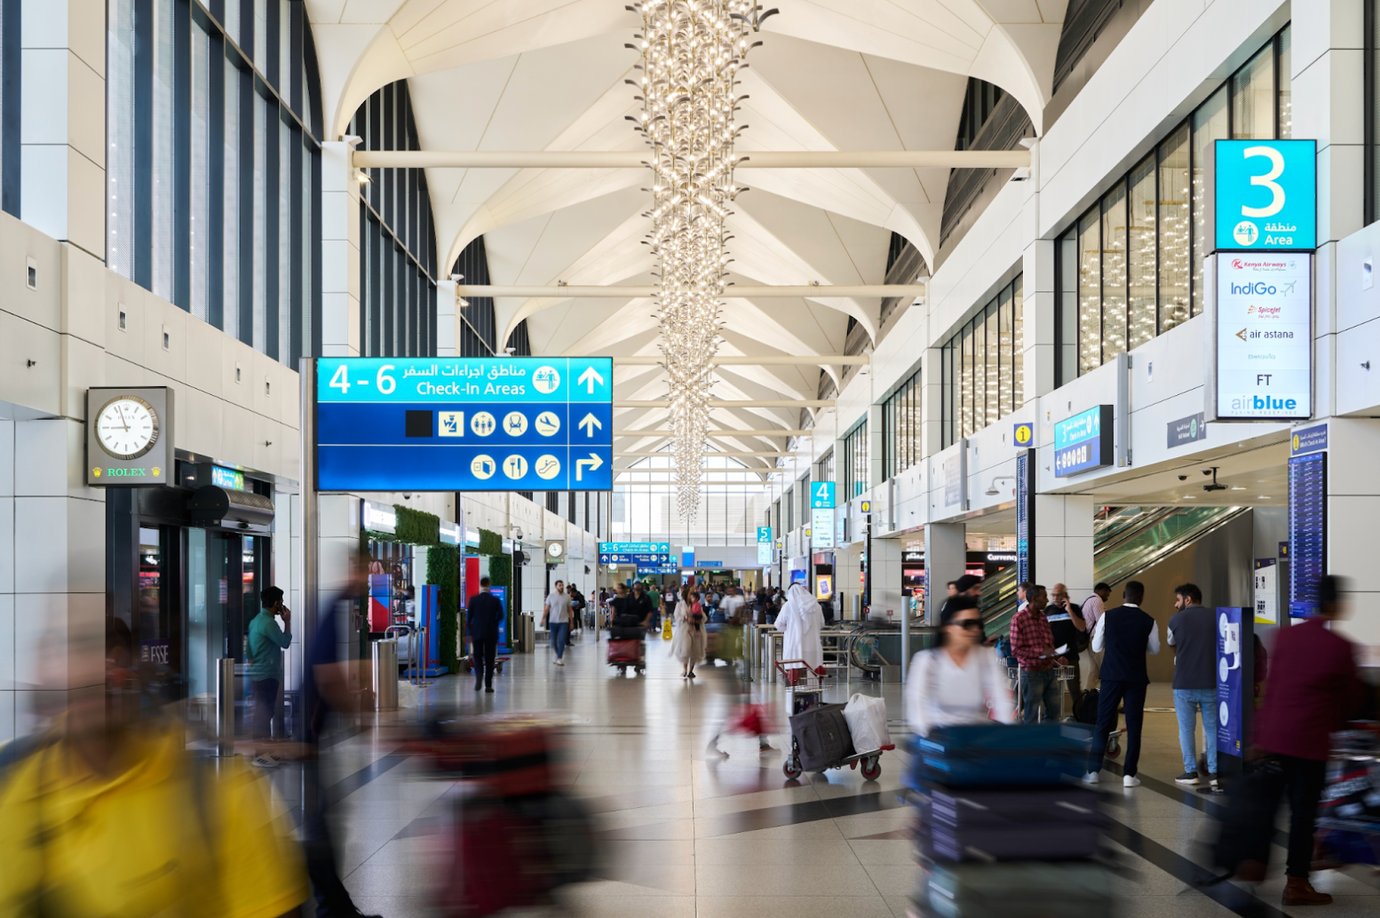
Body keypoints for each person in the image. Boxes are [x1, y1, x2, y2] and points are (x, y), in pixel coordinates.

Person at [0, 620, 309, 916]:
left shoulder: (220, 795)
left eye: (115, 662)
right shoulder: (11, 776)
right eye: (76, 658)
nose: (103, 676)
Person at [1222, 575, 1363, 905]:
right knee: (1303, 815)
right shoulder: (1340, 647)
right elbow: (1351, 700)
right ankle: (1296, 882)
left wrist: (1259, 736)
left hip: (1273, 738)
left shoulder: (1284, 636)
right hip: (1309, 743)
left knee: (1267, 807)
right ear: (1338, 605)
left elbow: (1273, 689)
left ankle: (1252, 862)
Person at [300, 564, 385, 918]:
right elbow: (327, 676)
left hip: (311, 735)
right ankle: (329, 909)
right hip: (306, 738)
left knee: (323, 825)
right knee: (318, 829)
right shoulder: (333, 610)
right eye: (362, 576)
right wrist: (358, 717)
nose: (365, 583)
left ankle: (335, 907)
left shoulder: (334, 610)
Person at [1085, 580, 1159, 788]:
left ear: (1124, 595)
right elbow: (1154, 649)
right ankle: (1129, 775)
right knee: (1135, 726)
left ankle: (1092, 772)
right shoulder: (1149, 621)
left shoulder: (1108, 616)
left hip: (1111, 676)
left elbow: (1097, 645)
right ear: (1141, 597)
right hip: (1136, 678)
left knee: (1102, 723)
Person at [906, 596, 1017, 735]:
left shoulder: (986, 657)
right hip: (938, 736)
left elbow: (1001, 697)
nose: (974, 630)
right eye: (967, 624)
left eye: (978, 624)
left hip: (976, 735)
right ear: (948, 627)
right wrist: (929, 735)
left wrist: (1005, 729)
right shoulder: (927, 661)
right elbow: (917, 703)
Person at [1166, 582, 1218, 786]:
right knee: (1212, 729)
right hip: (1211, 682)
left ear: (1188, 599)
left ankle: (1190, 772)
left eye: (1178, 599)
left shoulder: (1175, 620)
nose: (1175, 603)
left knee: (1186, 729)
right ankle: (1214, 772)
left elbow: (1172, 644)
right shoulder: (1216, 616)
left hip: (1184, 684)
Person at [247, 585, 292, 762]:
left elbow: (249, 653)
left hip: (257, 675)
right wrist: (287, 621)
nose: (282, 605)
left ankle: (263, 752)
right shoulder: (269, 623)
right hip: (267, 676)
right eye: (280, 601)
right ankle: (262, 754)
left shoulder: (255, 621)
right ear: (275, 603)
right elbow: (285, 642)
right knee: (265, 715)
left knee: (262, 714)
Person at [1009, 584, 1066, 724]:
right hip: (1031, 673)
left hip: (1049, 670)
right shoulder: (1019, 619)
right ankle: (1031, 744)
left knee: (1054, 712)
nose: (1047, 600)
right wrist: (1041, 652)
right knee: (1031, 714)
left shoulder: (1042, 617)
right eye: (1044, 596)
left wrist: (1056, 656)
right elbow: (1016, 650)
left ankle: (1048, 742)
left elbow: (1048, 643)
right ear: (1034, 598)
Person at [1047, 582, 1087, 711]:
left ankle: (1081, 716)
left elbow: (1081, 627)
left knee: (1075, 689)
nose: (1055, 598)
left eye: (1058, 595)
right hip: (1054, 658)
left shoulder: (1075, 608)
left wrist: (1069, 610)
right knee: (1052, 690)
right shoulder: (1048, 610)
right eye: (1053, 595)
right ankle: (1053, 717)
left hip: (1071, 656)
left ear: (1065, 595)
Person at [776, 583, 825, 682]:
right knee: (812, 675)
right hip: (813, 647)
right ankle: (812, 694)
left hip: (794, 647)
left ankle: (796, 693)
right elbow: (822, 623)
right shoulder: (816, 606)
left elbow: (778, 625)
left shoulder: (788, 606)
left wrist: (789, 628)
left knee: (794, 675)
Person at [468, 577, 504, 693]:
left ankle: (479, 677)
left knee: (477, 656)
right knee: (489, 659)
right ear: (489, 584)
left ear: (480, 585)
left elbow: (469, 619)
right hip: (491, 633)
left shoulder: (474, 600)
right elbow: (501, 615)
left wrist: (469, 633)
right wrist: (494, 622)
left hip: (477, 633)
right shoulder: (495, 600)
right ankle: (488, 685)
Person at [1079, 582, 1111, 689]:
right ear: (1102, 590)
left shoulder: (1089, 600)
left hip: (1090, 639)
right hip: (1094, 640)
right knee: (1105, 669)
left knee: (1095, 670)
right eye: (1107, 594)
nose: (1107, 597)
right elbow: (1102, 622)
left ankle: (1088, 696)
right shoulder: (1097, 601)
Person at [675, 589, 707, 678]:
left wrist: (696, 620)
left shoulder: (696, 604)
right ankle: (685, 670)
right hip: (685, 630)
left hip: (696, 630)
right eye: (690, 594)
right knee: (685, 649)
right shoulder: (680, 605)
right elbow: (677, 616)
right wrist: (685, 618)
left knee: (695, 650)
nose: (691, 596)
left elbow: (703, 617)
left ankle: (691, 671)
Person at [542, 579, 572, 666]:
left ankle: (559, 658)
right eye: (560, 585)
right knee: (553, 641)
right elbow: (546, 609)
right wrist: (542, 619)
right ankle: (557, 653)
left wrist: (572, 622)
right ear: (556, 586)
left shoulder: (567, 597)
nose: (561, 587)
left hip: (564, 622)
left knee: (562, 640)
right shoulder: (551, 596)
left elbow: (570, 610)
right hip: (553, 622)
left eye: (562, 585)